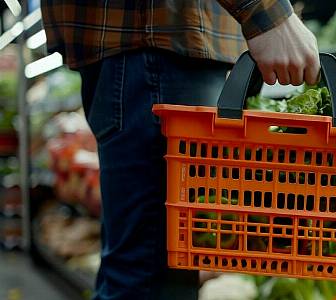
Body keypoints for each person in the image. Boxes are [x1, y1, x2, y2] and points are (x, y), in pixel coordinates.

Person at [40, 1, 320, 299]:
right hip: (160, 37)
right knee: (153, 278)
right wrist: (269, 15)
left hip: (154, 47)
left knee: (149, 268)